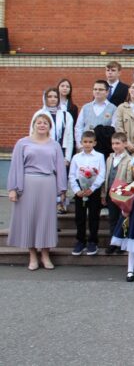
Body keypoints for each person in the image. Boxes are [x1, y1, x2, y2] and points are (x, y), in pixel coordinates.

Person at [7, 113, 68, 270]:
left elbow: (60, 168)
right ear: (33, 124)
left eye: (45, 123)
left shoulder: (54, 145)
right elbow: (15, 166)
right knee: (30, 220)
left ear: (49, 127)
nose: (42, 125)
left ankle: (45, 255)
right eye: (39, 122)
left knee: (45, 220)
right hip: (27, 185)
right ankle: (33, 256)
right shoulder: (22, 143)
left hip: (48, 184)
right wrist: (13, 188)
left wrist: (62, 189)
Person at [69, 130, 106, 256]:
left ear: (95, 143)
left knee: (93, 216)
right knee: (80, 216)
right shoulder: (76, 157)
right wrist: (76, 190)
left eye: (90, 142)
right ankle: (80, 240)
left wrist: (93, 188)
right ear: (81, 143)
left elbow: (101, 174)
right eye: (85, 142)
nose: (87, 144)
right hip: (80, 189)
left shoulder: (99, 156)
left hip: (93, 190)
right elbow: (72, 175)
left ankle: (93, 241)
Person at [74, 80, 117, 156]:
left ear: (107, 92)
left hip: (104, 149)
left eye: (101, 89)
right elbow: (78, 127)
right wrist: (80, 146)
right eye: (95, 89)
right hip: (86, 148)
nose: (97, 91)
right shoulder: (85, 107)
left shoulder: (113, 108)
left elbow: (114, 128)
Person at [34, 88, 75, 166]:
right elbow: (33, 134)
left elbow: (69, 137)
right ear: (45, 98)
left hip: (61, 153)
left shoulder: (66, 115)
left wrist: (67, 158)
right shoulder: (38, 114)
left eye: (55, 97)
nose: (53, 99)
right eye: (50, 97)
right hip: (42, 152)